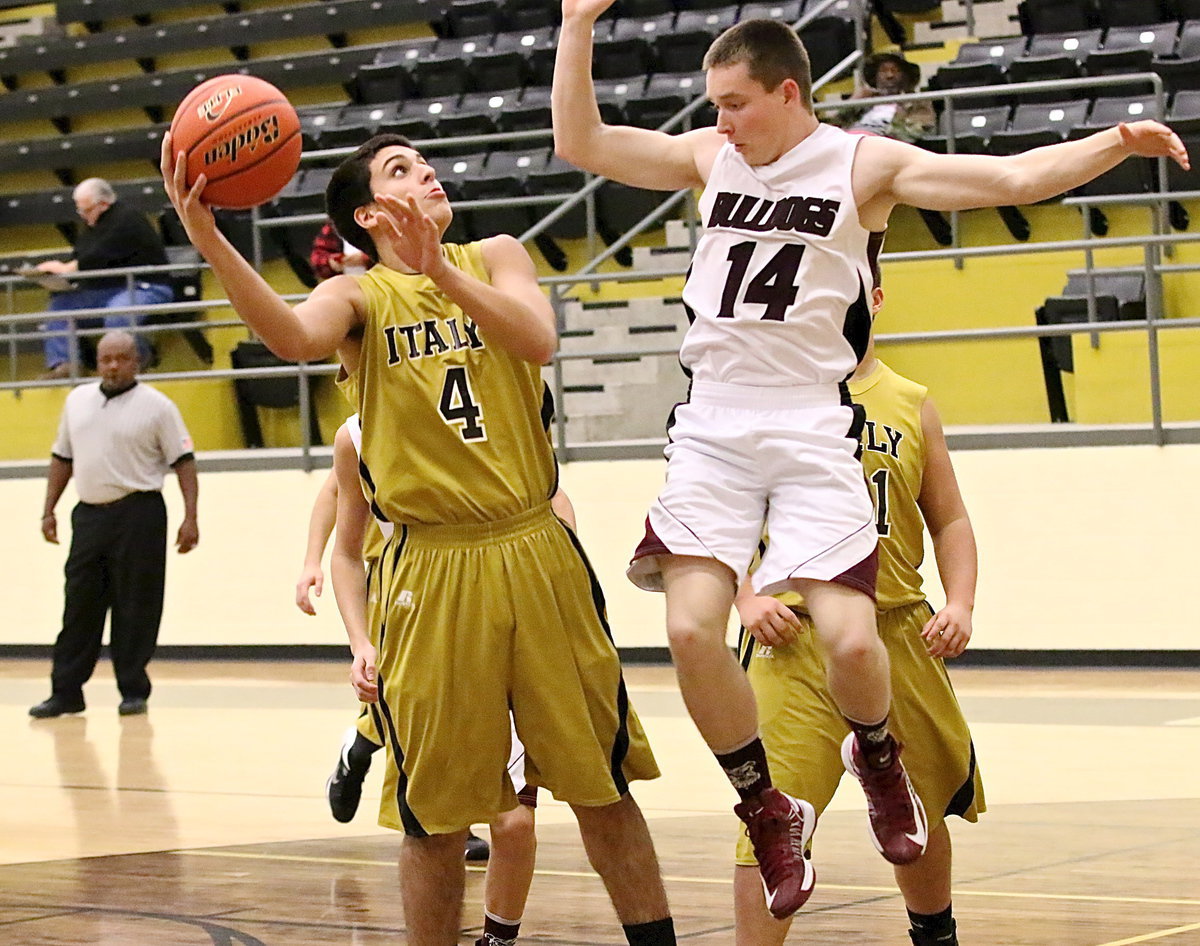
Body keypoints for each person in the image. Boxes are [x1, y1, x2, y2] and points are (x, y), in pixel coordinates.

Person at [551, 1, 1188, 919]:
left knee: (853, 642)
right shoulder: (709, 157)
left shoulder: (863, 164)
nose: (720, 121)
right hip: (714, 421)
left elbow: (1008, 177)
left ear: (787, 93)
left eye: (734, 103)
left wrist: (1114, 142)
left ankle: (880, 760)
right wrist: (576, 26)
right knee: (690, 632)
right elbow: (581, 142)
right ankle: (765, 807)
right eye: (713, 105)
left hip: (811, 419)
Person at [162, 131, 676, 946]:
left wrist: (440, 270)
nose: (427, 172)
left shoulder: (496, 255)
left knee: (601, 786)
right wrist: (211, 242)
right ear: (368, 215)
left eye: (425, 162)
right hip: (432, 568)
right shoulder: (356, 296)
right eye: (400, 169)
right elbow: (291, 337)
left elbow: (538, 340)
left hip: (536, 543)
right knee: (434, 814)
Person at [733, 293, 985, 946]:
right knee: (771, 824)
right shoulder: (764, 397)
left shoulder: (910, 402)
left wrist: (960, 602)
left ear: (874, 296)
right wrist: (747, 597)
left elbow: (950, 519)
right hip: (794, 638)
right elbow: (721, 515)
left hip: (897, 629)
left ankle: (935, 935)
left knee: (920, 807)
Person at [324, 417, 542, 946]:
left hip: (505, 616)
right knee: (435, 815)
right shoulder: (357, 434)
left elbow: (557, 509)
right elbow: (336, 515)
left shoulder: (494, 424)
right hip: (409, 606)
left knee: (515, 822)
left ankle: (498, 937)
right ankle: (361, 745)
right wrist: (356, 636)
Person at [30, 330, 199, 719]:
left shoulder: (158, 407)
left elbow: (184, 462)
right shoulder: (77, 401)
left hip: (139, 512)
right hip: (89, 515)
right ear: (97, 363)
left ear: (136, 361)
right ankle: (66, 692)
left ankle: (133, 690)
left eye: (121, 358)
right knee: (78, 605)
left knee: (136, 604)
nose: (113, 366)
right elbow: (62, 457)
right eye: (106, 359)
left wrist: (190, 516)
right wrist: (48, 509)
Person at [35, 178, 173, 379]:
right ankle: (67, 365)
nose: (83, 216)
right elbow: (82, 256)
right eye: (80, 211)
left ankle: (140, 356)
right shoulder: (92, 227)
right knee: (60, 308)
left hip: (145, 286)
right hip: (109, 289)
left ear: (104, 204)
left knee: (118, 316)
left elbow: (102, 254)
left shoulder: (127, 219)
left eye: (87, 210)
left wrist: (66, 269)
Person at [829, 51, 934, 144]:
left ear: (905, 76)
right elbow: (833, 126)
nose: (889, 75)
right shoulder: (865, 101)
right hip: (851, 141)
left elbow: (918, 131)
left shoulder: (917, 101)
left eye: (895, 70)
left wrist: (899, 118)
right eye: (883, 71)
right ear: (875, 76)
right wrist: (854, 101)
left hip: (883, 145)